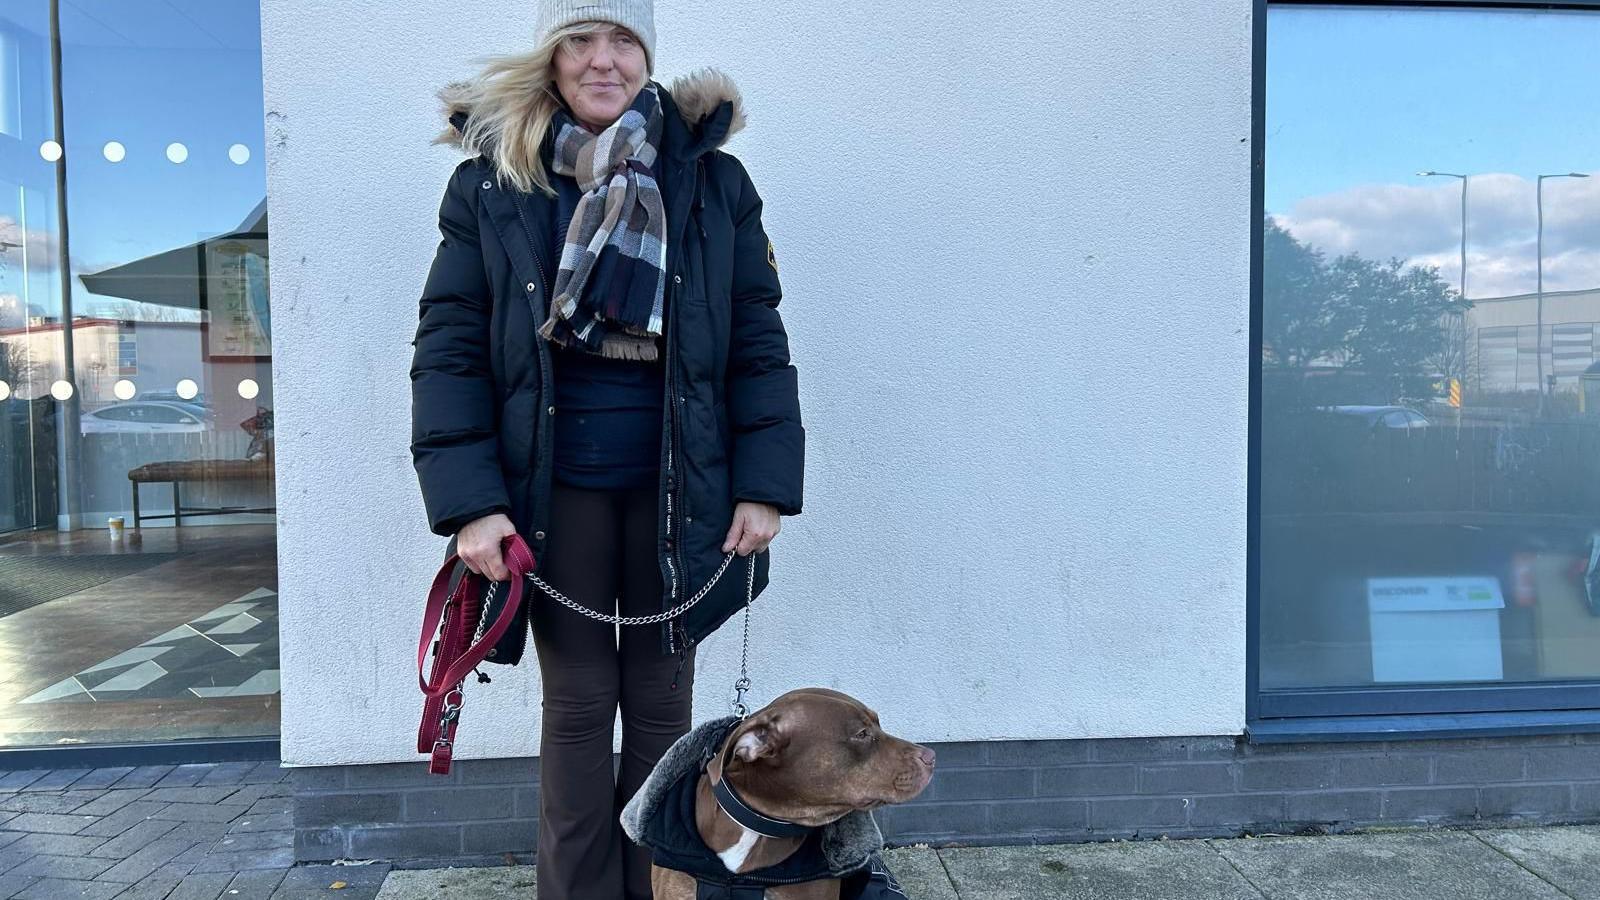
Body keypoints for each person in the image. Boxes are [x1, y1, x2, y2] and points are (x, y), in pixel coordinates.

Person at [409, 1, 803, 896]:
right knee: (580, 708)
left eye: (622, 39)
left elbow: (755, 340)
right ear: (550, 59)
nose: (602, 60)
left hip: (685, 493)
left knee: (665, 710)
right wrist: (470, 503)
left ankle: (662, 889)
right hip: (556, 494)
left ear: (647, 57)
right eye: (579, 40)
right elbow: (450, 349)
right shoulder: (492, 185)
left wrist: (764, 485)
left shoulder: (713, 181)